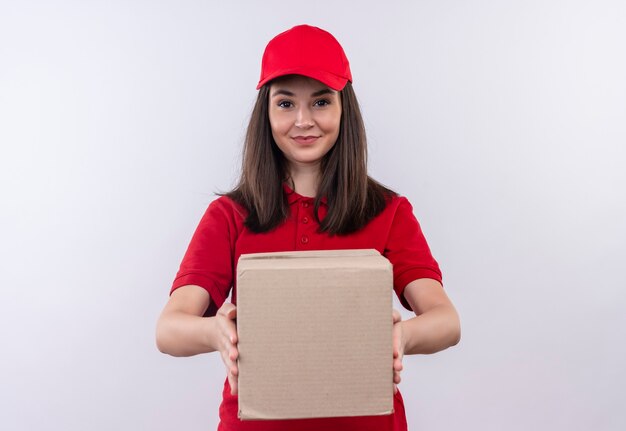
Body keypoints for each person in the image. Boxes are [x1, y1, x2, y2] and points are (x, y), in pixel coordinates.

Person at [156, 24, 460, 431]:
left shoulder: (388, 212)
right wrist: (216, 332)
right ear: (265, 112)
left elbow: (446, 320)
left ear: (342, 108)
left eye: (320, 102)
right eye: (285, 104)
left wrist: (401, 337)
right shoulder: (230, 215)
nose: (303, 121)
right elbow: (169, 328)